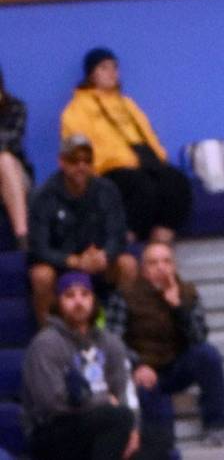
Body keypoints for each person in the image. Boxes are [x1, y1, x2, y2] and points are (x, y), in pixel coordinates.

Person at [107, 241, 224, 454]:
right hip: (144, 369)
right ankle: (163, 447)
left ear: (174, 266)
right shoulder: (125, 295)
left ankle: (218, 427)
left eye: (166, 262)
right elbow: (113, 341)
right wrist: (136, 364)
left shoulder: (188, 292)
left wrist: (178, 307)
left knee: (208, 354)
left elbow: (199, 338)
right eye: (153, 263)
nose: (161, 267)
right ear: (143, 268)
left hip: (176, 364)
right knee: (148, 391)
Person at [61, 47, 192, 243]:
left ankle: (160, 243)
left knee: (176, 182)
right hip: (109, 169)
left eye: (115, 67)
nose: (112, 72)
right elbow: (78, 150)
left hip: (144, 163)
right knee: (141, 187)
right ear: (91, 74)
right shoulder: (76, 110)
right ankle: (126, 242)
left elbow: (148, 135)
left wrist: (159, 158)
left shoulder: (128, 104)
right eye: (104, 68)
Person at [21, 271, 139, 460]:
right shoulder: (45, 344)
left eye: (85, 294)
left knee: (145, 439)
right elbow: (52, 403)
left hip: (101, 425)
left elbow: (123, 390)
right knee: (117, 418)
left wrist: (133, 430)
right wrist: (104, 401)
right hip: (52, 430)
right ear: (58, 303)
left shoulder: (110, 342)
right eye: (70, 296)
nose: (78, 301)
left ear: (93, 300)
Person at [28, 134, 137, 328]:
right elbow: (38, 248)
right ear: (62, 162)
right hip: (61, 265)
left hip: (99, 263)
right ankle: (49, 334)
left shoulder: (107, 190)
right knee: (41, 275)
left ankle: (122, 332)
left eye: (87, 161)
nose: (81, 166)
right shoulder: (44, 196)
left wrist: (104, 255)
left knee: (127, 264)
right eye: (74, 160)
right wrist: (72, 260)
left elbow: (117, 234)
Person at [0, 64, 32, 248]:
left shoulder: (15, 107)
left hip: (15, 174)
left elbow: (11, 141)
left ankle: (22, 237)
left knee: (4, 159)